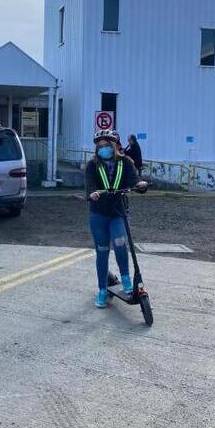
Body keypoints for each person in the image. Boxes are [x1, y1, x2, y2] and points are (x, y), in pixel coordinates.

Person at [85, 129, 149, 308]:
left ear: (114, 146)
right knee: (102, 250)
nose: (103, 149)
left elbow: (134, 180)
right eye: (100, 146)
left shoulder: (126, 163)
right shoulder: (92, 165)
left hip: (119, 212)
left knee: (120, 242)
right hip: (98, 214)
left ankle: (126, 279)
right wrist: (92, 193)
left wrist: (140, 185)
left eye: (107, 145)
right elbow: (89, 185)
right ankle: (102, 290)